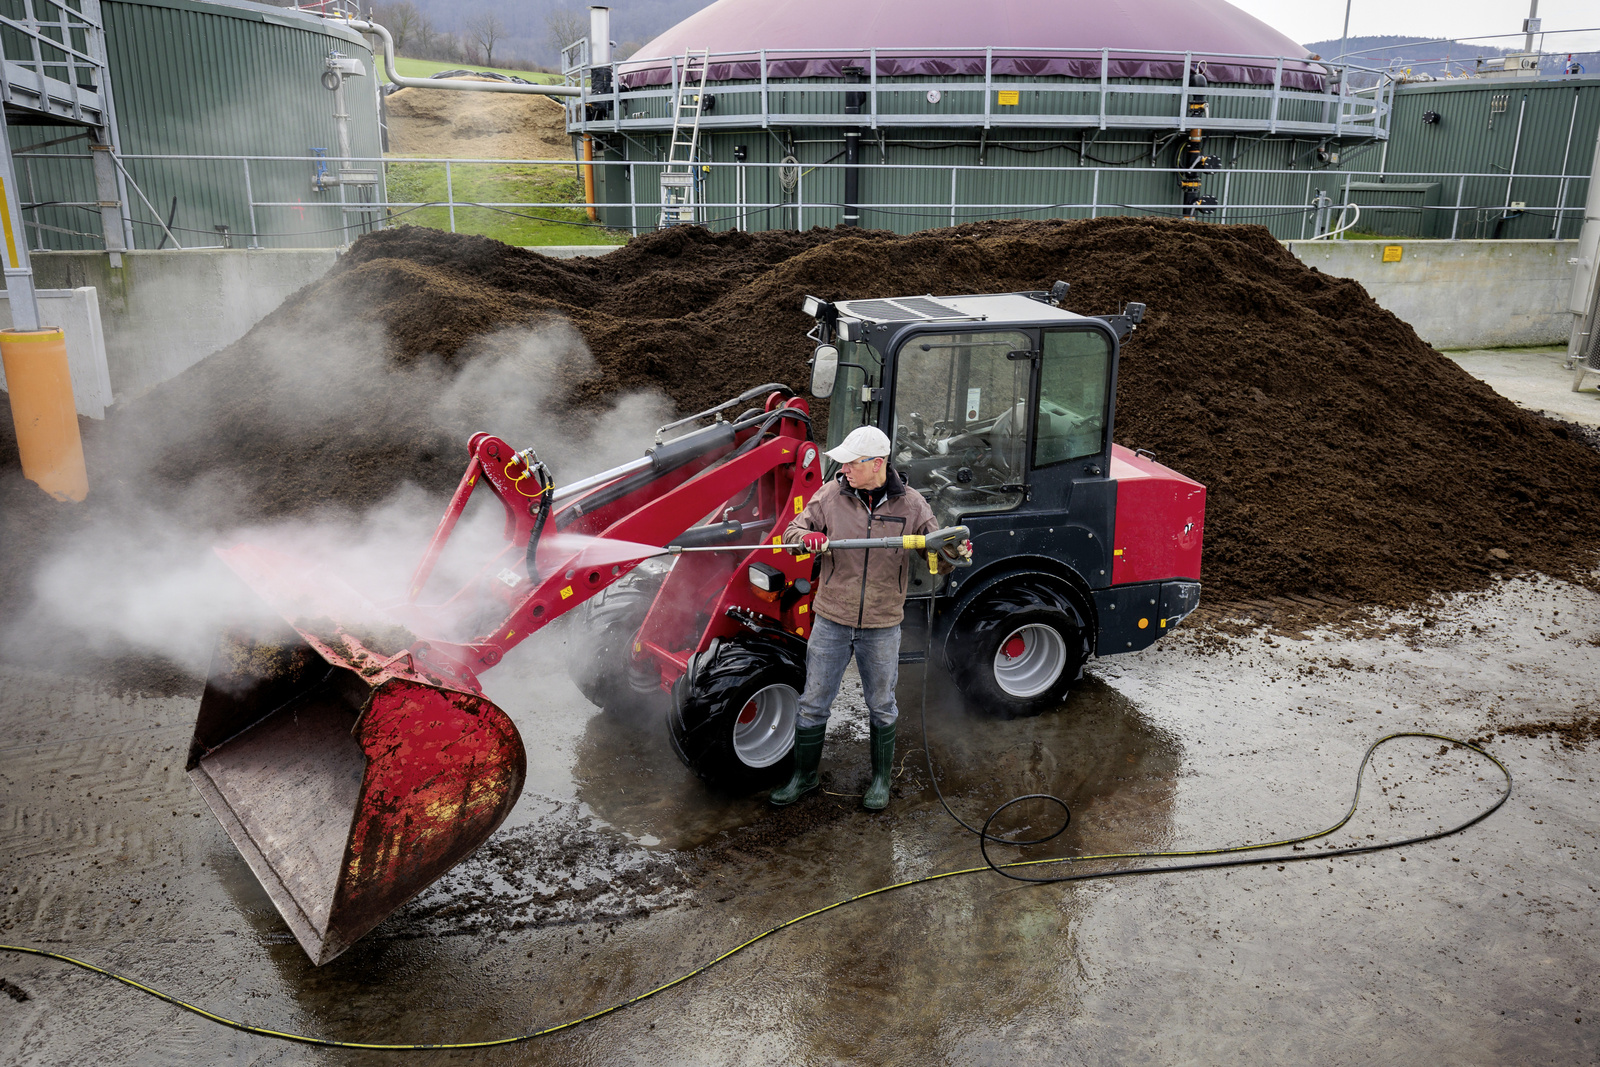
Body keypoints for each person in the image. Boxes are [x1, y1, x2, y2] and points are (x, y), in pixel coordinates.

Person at [774, 425, 970, 811]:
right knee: (813, 702)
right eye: (843, 463)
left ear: (877, 463)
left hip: (882, 623)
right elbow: (792, 533)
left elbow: (938, 555)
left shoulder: (912, 505)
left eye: (851, 463)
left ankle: (881, 780)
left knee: (881, 704)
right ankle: (804, 776)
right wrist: (805, 540)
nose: (843, 469)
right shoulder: (830, 495)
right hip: (832, 618)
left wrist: (954, 552)